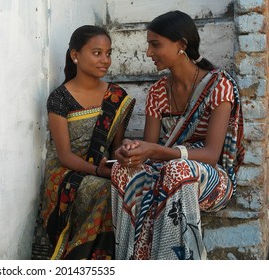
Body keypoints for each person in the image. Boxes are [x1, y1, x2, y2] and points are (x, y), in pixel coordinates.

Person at [110, 10, 245, 260]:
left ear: (181, 45)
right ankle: (131, 260)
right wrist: (133, 150)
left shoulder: (218, 85)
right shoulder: (158, 92)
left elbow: (211, 155)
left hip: (212, 179)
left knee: (178, 170)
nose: (149, 52)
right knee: (122, 170)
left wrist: (158, 151)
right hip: (166, 170)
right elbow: (150, 151)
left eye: (155, 44)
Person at [31, 25, 135, 260]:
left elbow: (114, 149)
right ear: (75, 55)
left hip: (101, 167)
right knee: (105, 190)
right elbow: (65, 155)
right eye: (97, 53)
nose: (105, 60)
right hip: (66, 173)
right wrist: (99, 170)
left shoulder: (117, 96)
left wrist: (125, 151)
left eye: (108, 53)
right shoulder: (60, 98)